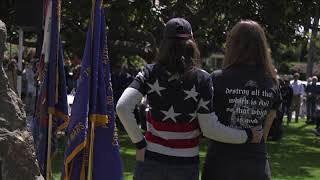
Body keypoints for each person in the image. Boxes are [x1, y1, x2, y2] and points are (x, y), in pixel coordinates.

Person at [116, 18, 263, 180]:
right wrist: (247, 135)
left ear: (164, 43)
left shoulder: (149, 72)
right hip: (185, 165)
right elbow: (210, 129)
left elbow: (122, 107)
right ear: (191, 43)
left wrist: (139, 143)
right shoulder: (203, 79)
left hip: (151, 161)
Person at [201, 20, 281, 180]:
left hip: (221, 164)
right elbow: (264, 132)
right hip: (256, 165)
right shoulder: (272, 82)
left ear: (233, 44)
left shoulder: (217, 79)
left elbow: (207, 126)